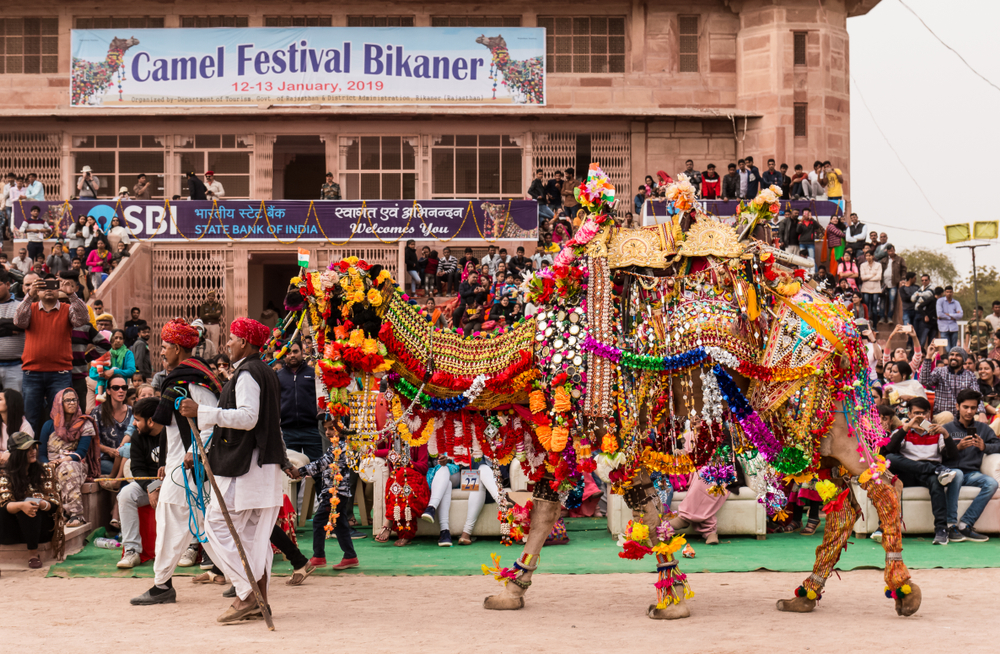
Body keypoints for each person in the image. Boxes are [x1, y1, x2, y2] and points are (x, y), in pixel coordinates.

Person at [178, 317, 285, 623]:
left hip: (246, 465)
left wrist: (203, 412)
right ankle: (259, 599)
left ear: (246, 343)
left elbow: (249, 418)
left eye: (232, 339)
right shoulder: (263, 371)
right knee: (253, 537)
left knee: (215, 526)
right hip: (260, 464)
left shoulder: (249, 373)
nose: (227, 343)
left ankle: (247, 594)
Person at [130, 319, 223, 605]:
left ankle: (162, 585)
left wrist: (195, 453)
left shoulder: (194, 381)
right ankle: (242, 577)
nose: (161, 351)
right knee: (207, 525)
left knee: (175, 521)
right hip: (175, 465)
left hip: (188, 467)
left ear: (180, 348)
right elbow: (171, 428)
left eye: (167, 346)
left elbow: (211, 422)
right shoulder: (177, 380)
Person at [15, 275, 89, 435]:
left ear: (58, 289)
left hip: (60, 373)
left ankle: (57, 454)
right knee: (30, 417)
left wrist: (72, 294)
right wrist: (29, 295)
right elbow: (19, 322)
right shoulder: (31, 307)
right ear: (38, 290)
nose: (48, 289)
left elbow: (83, 319)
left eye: (52, 285)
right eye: (43, 286)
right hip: (32, 373)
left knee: (61, 417)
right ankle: (31, 454)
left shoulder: (66, 309)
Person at [884, 397, 957, 546]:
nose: (921, 417)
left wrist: (946, 434)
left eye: (924, 413)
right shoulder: (903, 430)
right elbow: (889, 449)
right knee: (891, 458)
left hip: (928, 475)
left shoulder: (937, 431)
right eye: (916, 413)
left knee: (936, 484)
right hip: (909, 472)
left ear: (929, 414)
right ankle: (937, 470)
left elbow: (954, 456)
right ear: (909, 414)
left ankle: (941, 530)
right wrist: (906, 428)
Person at [942, 389, 999, 543]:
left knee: (992, 483)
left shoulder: (983, 429)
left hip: (972, 473)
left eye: (973, 408)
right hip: (950, 471)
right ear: (957, 406)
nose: (969, 411)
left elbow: (998, 445)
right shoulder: (947, 428)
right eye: (965, 407)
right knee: (957, 474)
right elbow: (938, 454)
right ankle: (951, 524)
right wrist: (957, 448)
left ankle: (965, 524)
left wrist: (984, 447)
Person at [300, 417, 358, 569]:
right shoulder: (337, 446)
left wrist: (300, 471)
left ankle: (318, 556)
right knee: (340, 524)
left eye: (330, 429)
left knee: (319, 521)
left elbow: (321, 464)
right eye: (325, 429)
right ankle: (350, 556)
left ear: (341, 429)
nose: (327, 432)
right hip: (339, 493)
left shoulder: (341, 448)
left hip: (335, 494)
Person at [0, 431, 64, 568]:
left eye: (33, 448)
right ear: (17, 453)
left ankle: (33, 554)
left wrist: (41, 504)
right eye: (27, 450)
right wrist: (21, 506)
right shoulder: (5, 473)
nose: (32, 452)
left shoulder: (46, 470)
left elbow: (55, 504)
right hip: (12, 531)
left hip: (41, 528)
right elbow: (4, 504)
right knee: (21, 507)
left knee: (31, 509)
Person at [38, 388, 99, 529]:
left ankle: (75, 514)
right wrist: (48, 464)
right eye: (67, 400)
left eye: (74, 400)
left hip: (76, 463)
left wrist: (63, 460)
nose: (72, 403)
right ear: (59, 403)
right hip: (52, 463)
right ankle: (58, 513)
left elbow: (81, 452)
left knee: (67, 469)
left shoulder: (85, 423)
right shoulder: (48, 425)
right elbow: (41, 454)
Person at [115, 396, 160, 569]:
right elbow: (138, 469)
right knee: (125, 494)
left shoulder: (171, 435)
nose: (134, 424)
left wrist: (157, 487)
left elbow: (173, 469)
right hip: (148, 485)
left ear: (151, 421)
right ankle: (132, 551)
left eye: (138, 420)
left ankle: (191, 546)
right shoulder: (138, 437)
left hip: (173, 484)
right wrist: (151, 488)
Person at [277, 341, 322, 461]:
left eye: (295, 351)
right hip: (287, 431)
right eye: (288, 352)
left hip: (312, 430)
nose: (292, 355)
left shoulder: (313, 373)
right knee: (289, 472)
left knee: (318, 470)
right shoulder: (278, 376)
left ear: (302, 352)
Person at [920, 346, 986, 421]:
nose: (954, 357)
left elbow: (977, 396)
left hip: (963, 415)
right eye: (952, 354)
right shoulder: (939, 371)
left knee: (978, 419)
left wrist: (981, 412)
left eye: (958, 355)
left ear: (963, 359)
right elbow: (924, 381)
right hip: (942, 415)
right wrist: (928, 356)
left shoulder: (970, 375)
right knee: (947, 416)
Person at [90, 373, 132, 479]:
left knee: (127, 469)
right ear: (108, 391)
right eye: (116, 388)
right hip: (104, 458)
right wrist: (109, 450)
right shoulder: (97, 412)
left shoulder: (133, 412)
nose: (121, 390)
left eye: (124, 387)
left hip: (127, 458)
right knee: (123, 471)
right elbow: (92, 442)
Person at [0, 269, 24, 393]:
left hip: (16, 367)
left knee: (15, 406)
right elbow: (15, 326)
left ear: (8, 285)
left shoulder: (19, 306)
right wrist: (10, 330)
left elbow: (21, 326)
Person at [0, 389, 31, 467]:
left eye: (0, 399)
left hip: (16, 467)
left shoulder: (24, 426)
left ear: (10, 403)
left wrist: (9, 454)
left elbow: (25, 452)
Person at [859, 251, 883, 326]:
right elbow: (862, 278)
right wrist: (873, 275)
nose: (868, 257)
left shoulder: (878, 265)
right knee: (866, 307)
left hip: (876, 289)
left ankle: (875, 326)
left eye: (869, 256)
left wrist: (868, 277)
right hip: (866, 289)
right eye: (866, 256)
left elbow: (879, 277)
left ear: (873, 256)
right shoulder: (862, 265)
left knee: (874, 308)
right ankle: (866, 325)